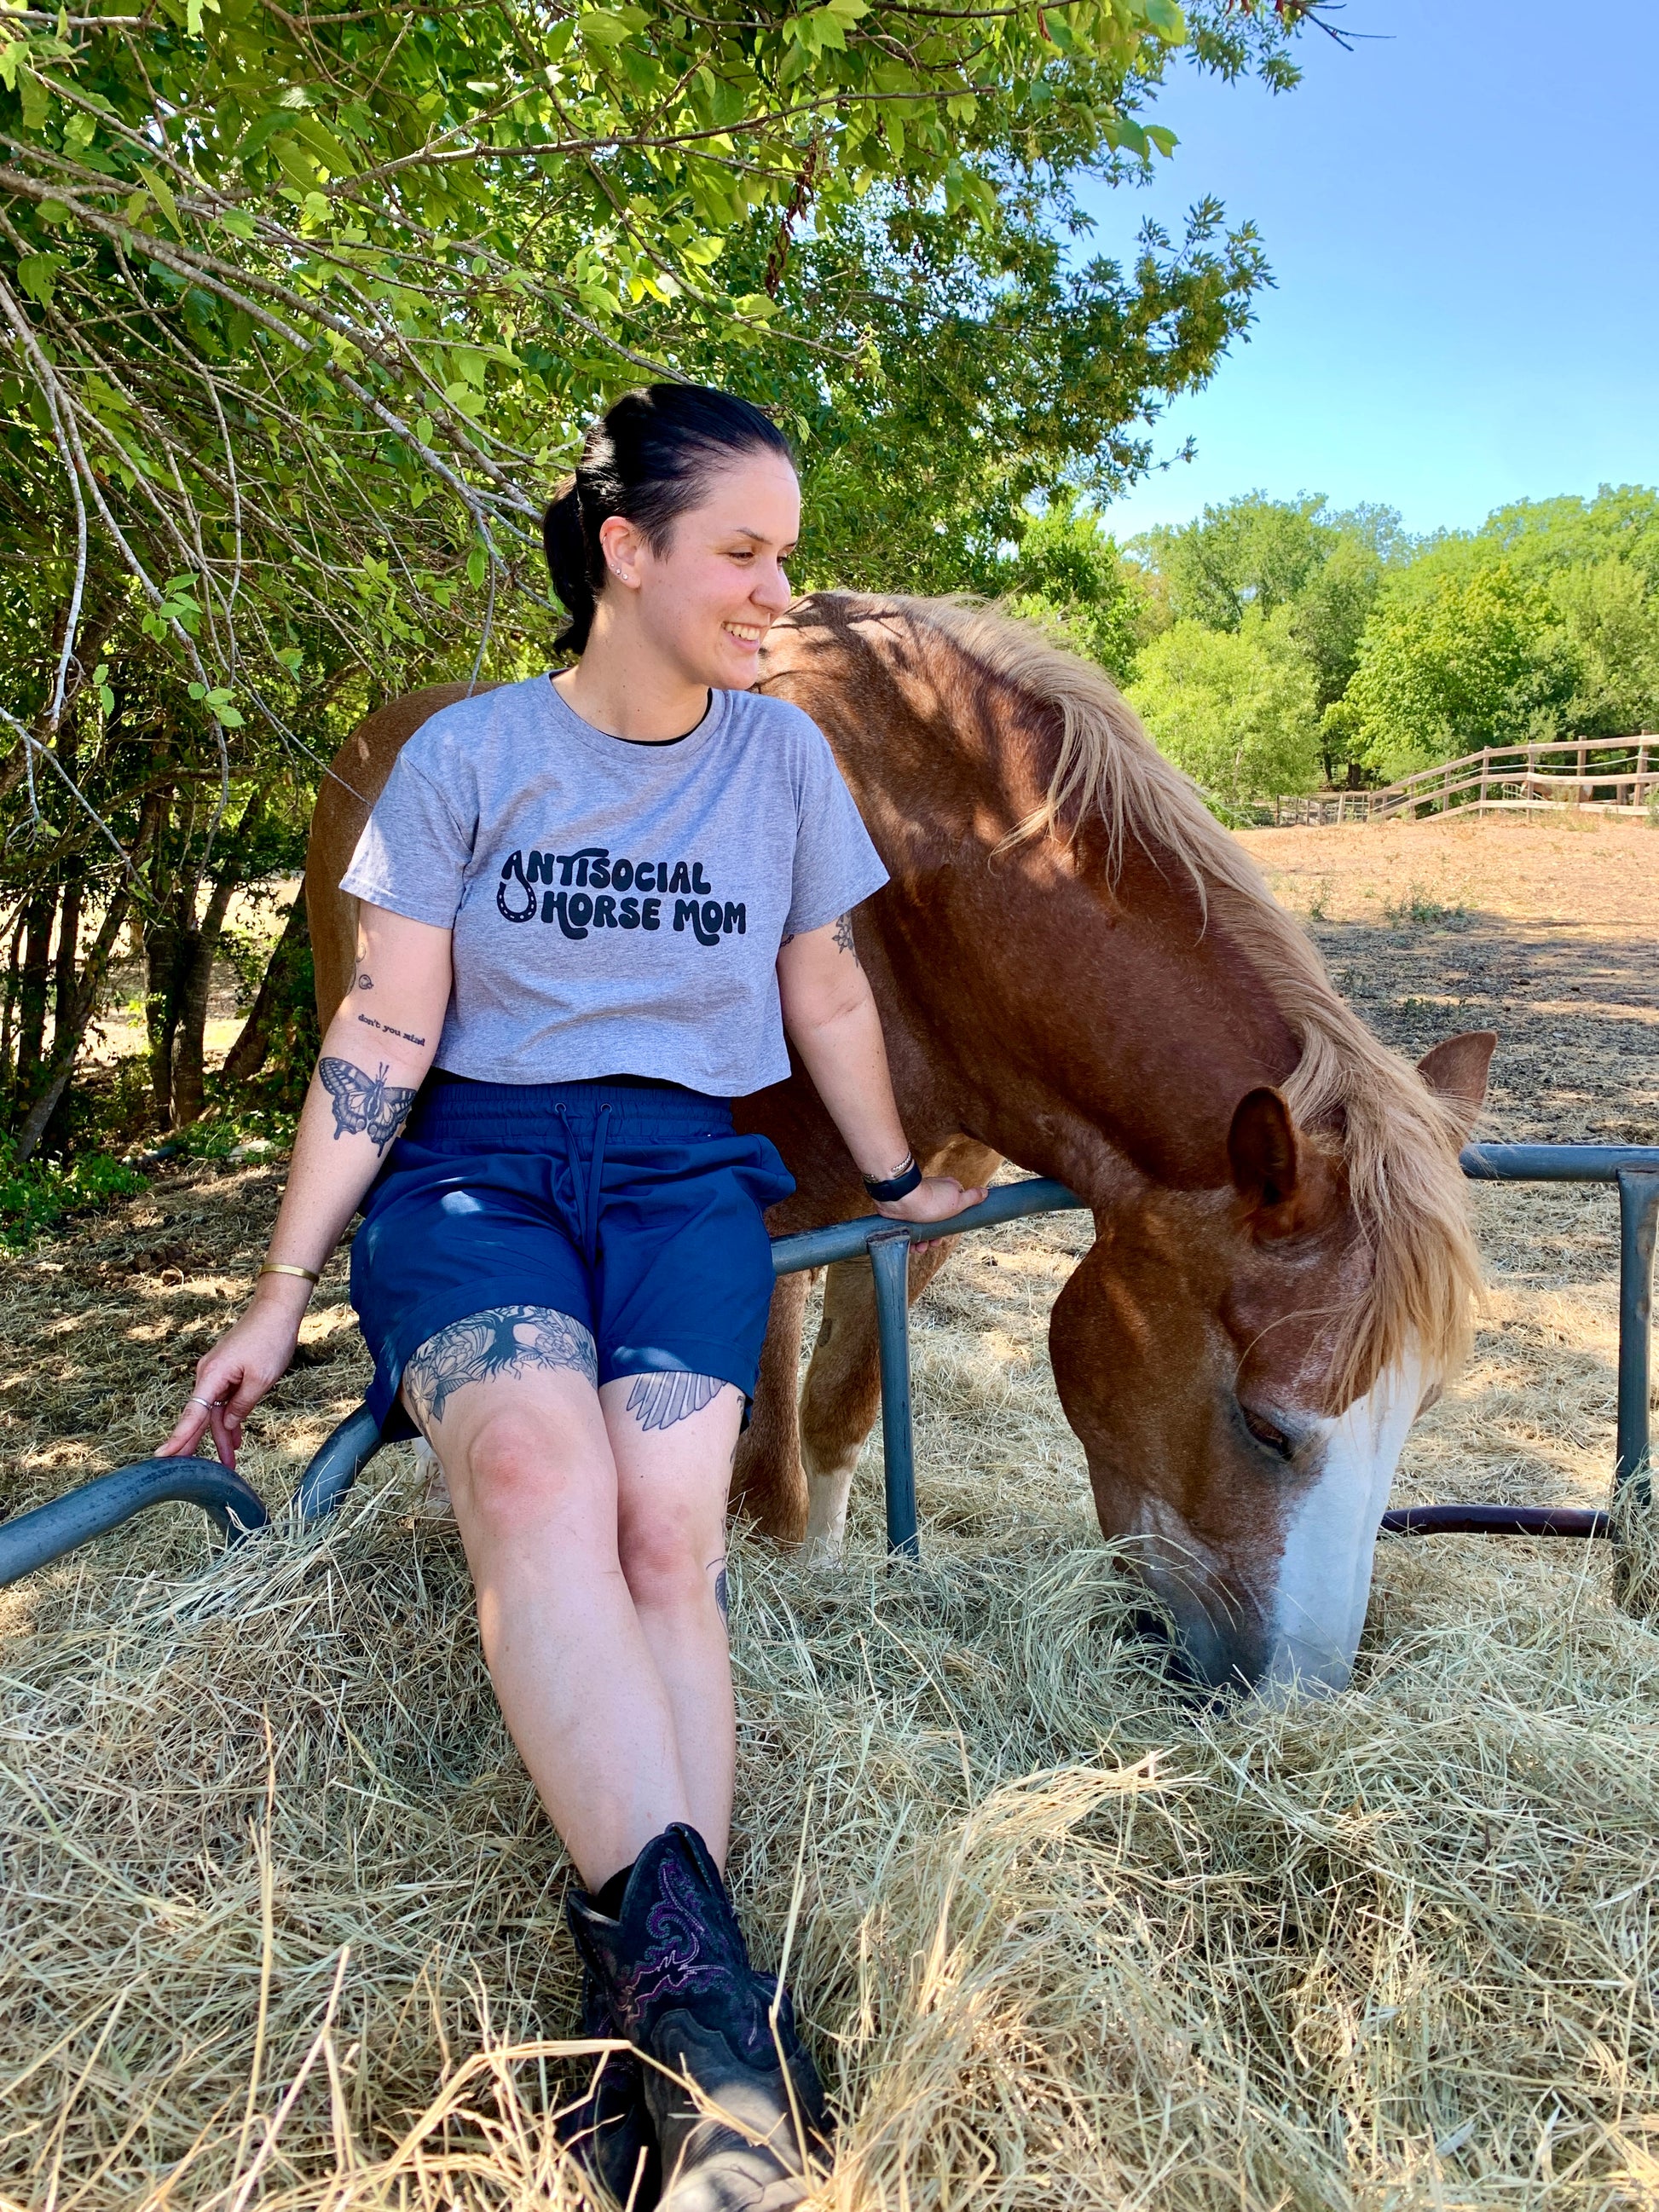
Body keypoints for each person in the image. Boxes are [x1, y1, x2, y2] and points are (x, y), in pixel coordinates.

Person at [158, 385, 984, 2209]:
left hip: (689, 1178)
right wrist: (281, 1286)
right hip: (478, 1171)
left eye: (787, 549)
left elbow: (827, 990)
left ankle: (649, 2010)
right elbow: (384, 1023)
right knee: (541, 1483)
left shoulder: (779, 766)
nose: (780, 590)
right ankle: (722, 2045)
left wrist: (904, 1174)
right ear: (626, 552)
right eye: (743, 552)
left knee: (669, 1537)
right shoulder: (468, 757)